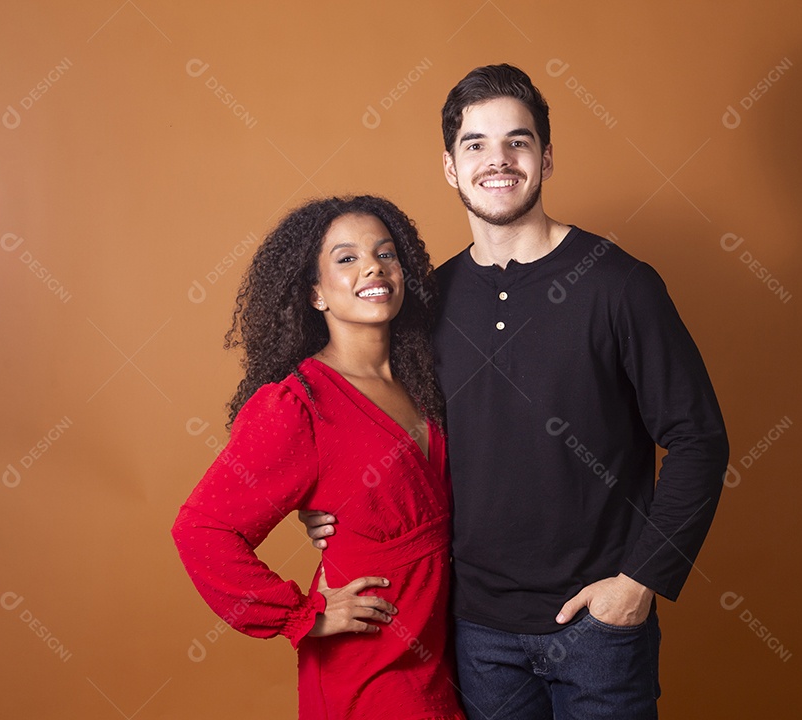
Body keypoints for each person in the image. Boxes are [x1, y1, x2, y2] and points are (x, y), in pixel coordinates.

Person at [306, 64, 729, 719]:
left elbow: (699, 439)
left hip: (600, 629)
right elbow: (386, 427)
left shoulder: (619, 285)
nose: (496, 161)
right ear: (450, 167)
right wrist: (325, 499)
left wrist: (638, 583)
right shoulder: (424, 303)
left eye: (518, 142)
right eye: (475, 144)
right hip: (475, 630)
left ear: (547, 158)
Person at [171, 196, 465, 719]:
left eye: (386, 253)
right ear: (315, 293)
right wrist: (301, 615)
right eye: (346, 258)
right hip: (369, 670)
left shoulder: (426, 379)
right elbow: (201, 529)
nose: (373, 265)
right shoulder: (298, 405)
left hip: (445, 653)